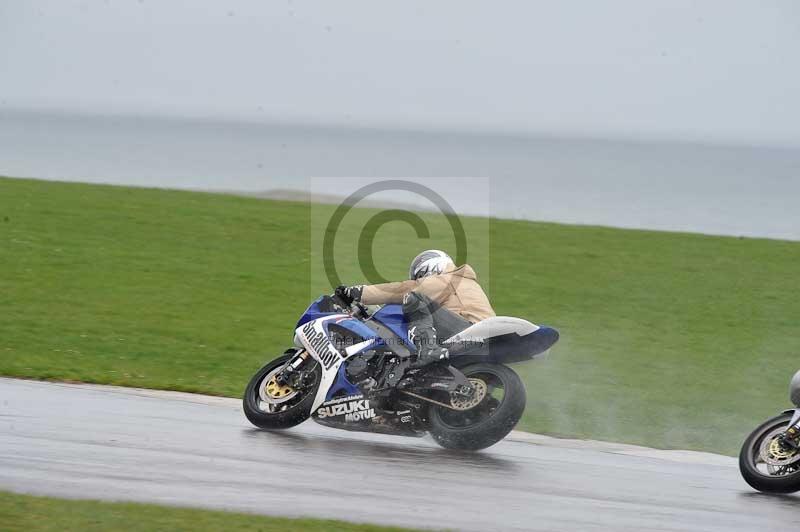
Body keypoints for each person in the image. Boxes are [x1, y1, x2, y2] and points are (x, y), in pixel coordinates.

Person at [336, 250, 496, 367]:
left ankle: (428, 349)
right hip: (478, 336)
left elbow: (405, 290)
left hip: (468, 329)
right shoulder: (463, 282)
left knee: (414, 297)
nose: (419, 280)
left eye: (419, 277)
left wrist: (358, 292)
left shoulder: (449, 278)